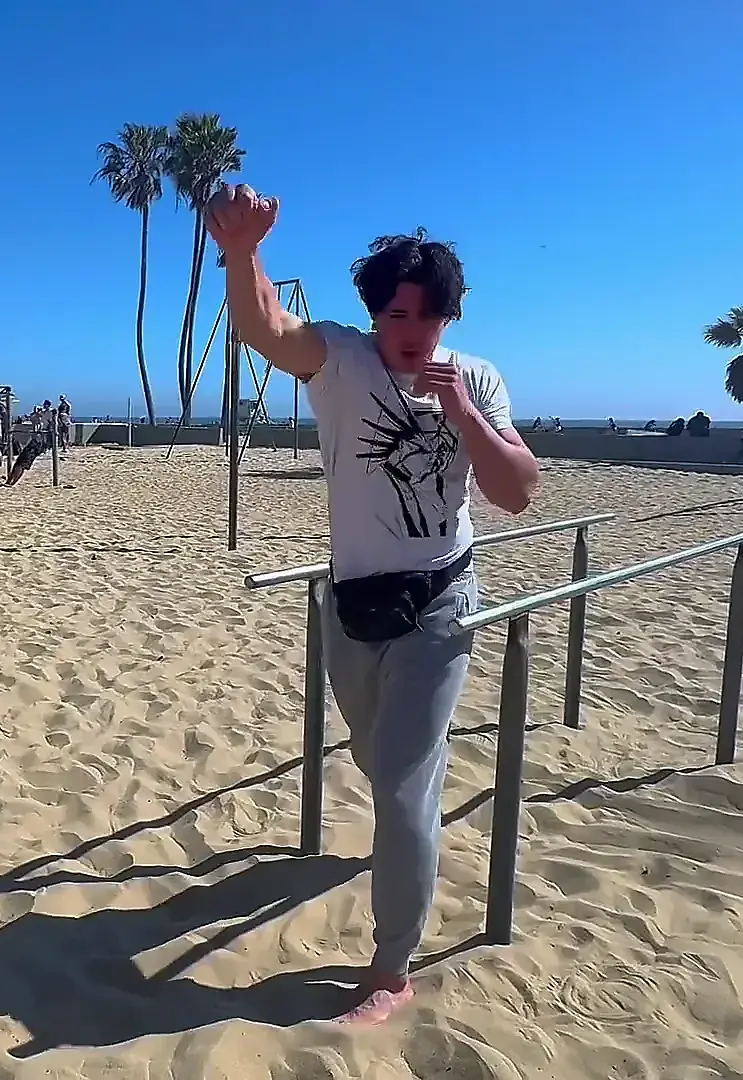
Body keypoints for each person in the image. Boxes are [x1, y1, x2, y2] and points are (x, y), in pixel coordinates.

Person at [207, 183, 541, 1027]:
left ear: (450, 317)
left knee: (400, 783)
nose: (411, 331)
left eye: (428, 316)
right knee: (378, 762)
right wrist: (244, 252)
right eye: (397, 314)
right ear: (374, 314)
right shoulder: (342, 360)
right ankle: (403, 843)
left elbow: (517, 491)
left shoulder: (478, 379)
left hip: (441, 602)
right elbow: (265, 328)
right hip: (354, 602)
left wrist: (461, 411)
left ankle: (392, 969)